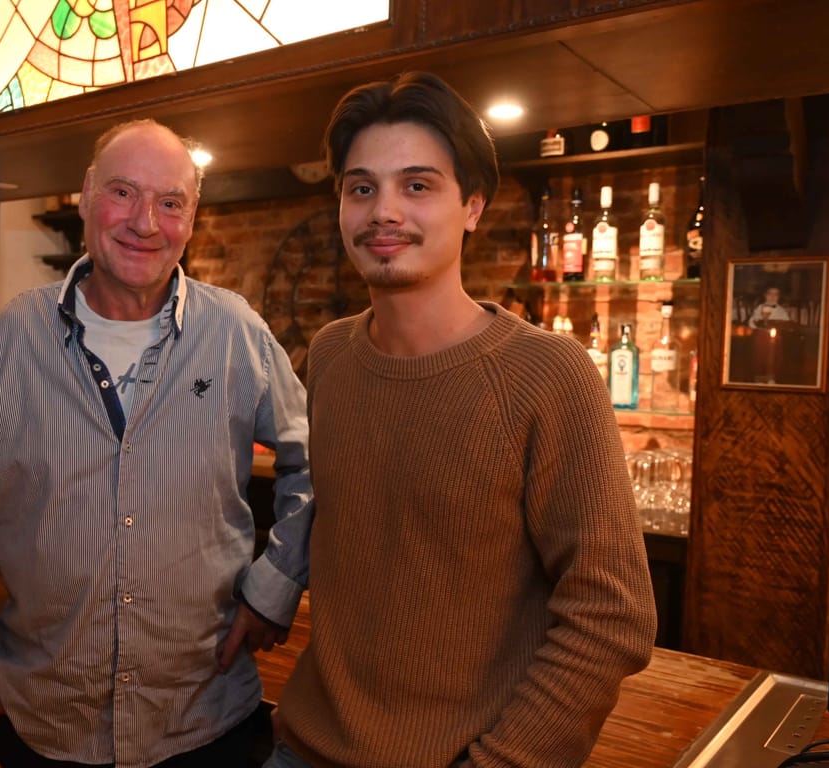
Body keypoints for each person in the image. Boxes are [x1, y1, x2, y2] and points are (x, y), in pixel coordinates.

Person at [268, 72, 657, 768]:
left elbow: (612, 616)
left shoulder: (548, 373)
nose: (383, 211)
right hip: (303, 746)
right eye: (361, 188)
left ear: (473, 206)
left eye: (417, 185)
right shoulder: (330, 355)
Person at [0, 119, 314, 768]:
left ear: (192, 218)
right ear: (84, 196)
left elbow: (315, 465)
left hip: (208, 725)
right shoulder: (17, 336)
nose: (145, 223)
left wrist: (275, 584)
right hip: (43, 727)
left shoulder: (234, 331)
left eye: (171, 202)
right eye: (123, 193)